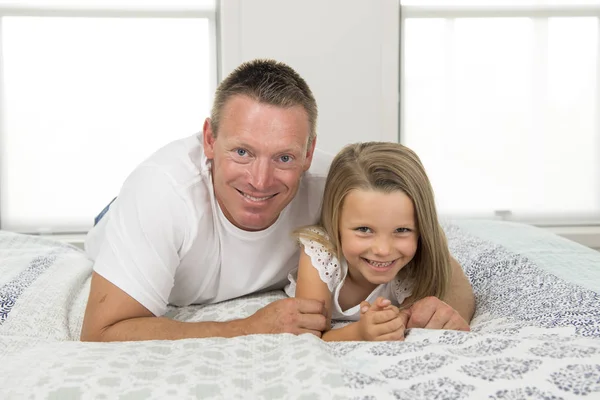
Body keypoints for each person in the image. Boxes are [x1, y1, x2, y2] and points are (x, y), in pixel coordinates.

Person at [80, 59, 475, 342]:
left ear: (308, 152)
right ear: (210, 139)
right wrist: (246, 326)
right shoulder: (161, 195)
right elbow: (101, 331)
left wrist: (435, 307)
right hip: (116, 218)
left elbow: (442, 262)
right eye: (242, 152)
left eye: (284, 157)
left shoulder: (332, 185)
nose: (260, 180)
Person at [285, 142, 470, 341]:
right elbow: (310, 336)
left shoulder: (415, 264)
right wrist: (359, 333)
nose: (383, 250)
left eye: (402, 230)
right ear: (335, 222)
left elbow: (459, 291)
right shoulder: (321, 255)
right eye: (364, 230)